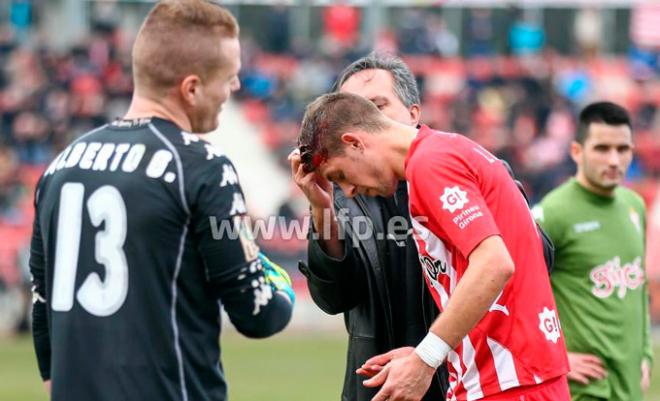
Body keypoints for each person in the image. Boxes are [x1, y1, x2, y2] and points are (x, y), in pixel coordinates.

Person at [29, 2, 294, 401]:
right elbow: (257, 312)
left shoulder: (60, 166)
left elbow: (42, 306)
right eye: (229, 77)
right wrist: (280, 283)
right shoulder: (201, 165)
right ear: (191, 88)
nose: (234, 88)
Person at [296, 92, 570, 401]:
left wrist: (425, 358)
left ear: (355, 142)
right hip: (511, 376)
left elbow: (494, 264)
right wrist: (425, 352)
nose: (348, 189)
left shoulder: (431, 163)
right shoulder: (441, 155)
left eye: (340, 175)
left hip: (508, 382)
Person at [289, 53, 447, 401]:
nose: (364, 120)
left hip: (458, 381)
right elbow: (333, 298)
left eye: (377, 106)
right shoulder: (342, 192)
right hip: (374, 387)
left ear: (413, 114)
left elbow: (528, 262)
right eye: (353, 109)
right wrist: (322, 208)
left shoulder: (463, 171)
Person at [533, 101, 652, 401]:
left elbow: (639, 289)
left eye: (622, 149)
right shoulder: (552, 214)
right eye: (602, 148)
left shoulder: (634, 205)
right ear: (576, 151)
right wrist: (551, 357)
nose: (614, 160)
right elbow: (511, 292)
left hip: (629, 385)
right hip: (583, 390)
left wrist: (646, 354)